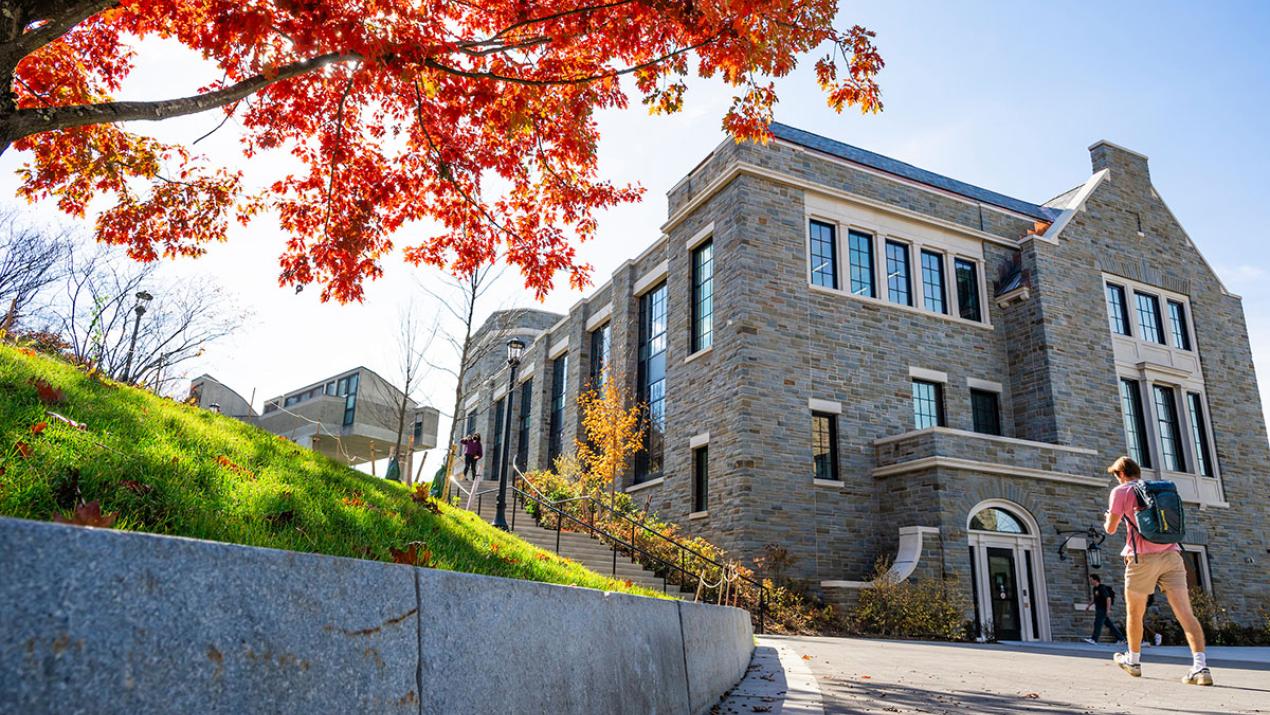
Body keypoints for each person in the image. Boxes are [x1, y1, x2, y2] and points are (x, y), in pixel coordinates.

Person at [1103, 456, 1212, 685]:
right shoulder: (1158, 489)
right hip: (1172, 555)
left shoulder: (1121, 491)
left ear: (1121, 474)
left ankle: (1133, 660)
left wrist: (1107, 520)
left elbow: (1111, 529)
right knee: (1185, 613)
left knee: (1135, 613)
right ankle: (1201, 668)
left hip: (1141, 558)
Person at [1083, 574, 1124, 644]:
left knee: (1097, 623)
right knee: (1110, 625)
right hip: (1099, 608)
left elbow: (1108, 598)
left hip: (1102, 609)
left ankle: (1094, 639)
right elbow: (1095, 599)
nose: (1090, 581)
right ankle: (1121, 639)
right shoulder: (1095, 589)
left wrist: (1108, 609)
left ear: (1095, 580)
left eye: (1091, 580)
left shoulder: (1102, 588)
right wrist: (1088, 606)